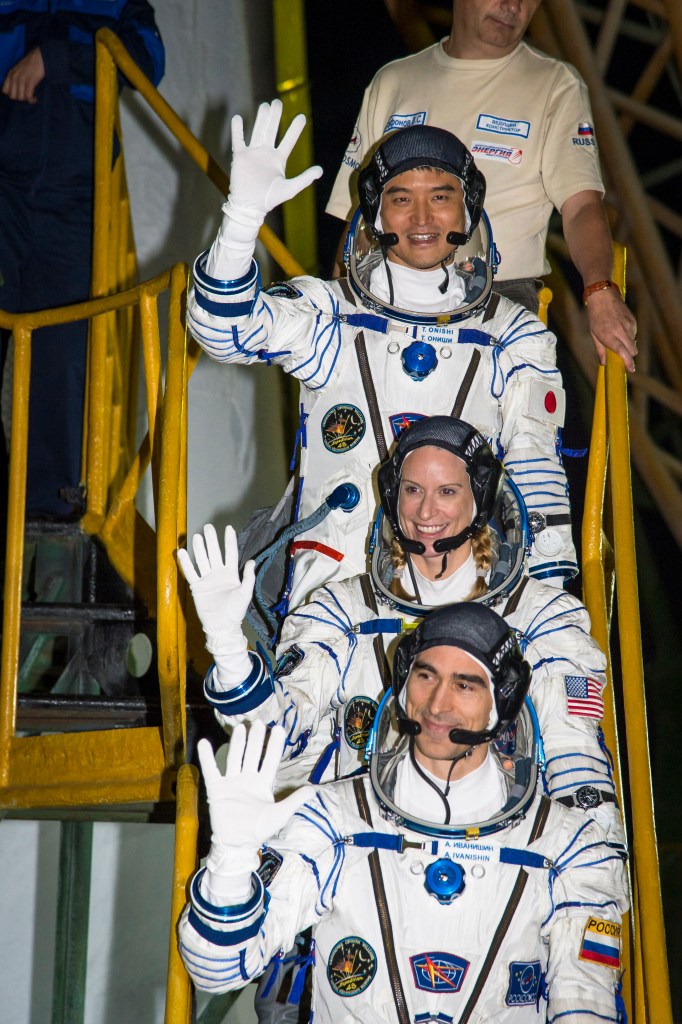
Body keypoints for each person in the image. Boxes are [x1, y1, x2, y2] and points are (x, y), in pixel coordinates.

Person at [187, 100, 576, 612]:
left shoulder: (511, 335)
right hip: (333, 585)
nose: (422, 217)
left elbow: (535, 469)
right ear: (374, 213)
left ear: (468, 210)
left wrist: (548, 604)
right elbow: (223, 330)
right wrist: (241, 221)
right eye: (400, 198)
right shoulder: (331, 316)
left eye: (441, 197)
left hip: (466, 595)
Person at [178, 415, 621, 843]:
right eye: (412, 490)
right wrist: (229, 648)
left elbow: (576, 763)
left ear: (480, 498)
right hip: (363, 847)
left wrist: (590, 866)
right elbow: (279, 734)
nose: (426, 510)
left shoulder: (543, 620)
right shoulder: (341, 613)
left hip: (497, 853)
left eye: (447, 491)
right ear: (392, 497)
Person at [178, 603, 630, 1021]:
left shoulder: (569, 848)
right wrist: (230, 863)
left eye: (465, 685)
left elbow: (586, 1008)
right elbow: (218, 970)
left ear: (504, 703)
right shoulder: (332, 820)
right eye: (426, 676)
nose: (437, 705)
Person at [325, 0, 638, 372]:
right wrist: (336, 310)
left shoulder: (555, 84)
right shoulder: (393, 81)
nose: (512, 6)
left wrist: (599, 290)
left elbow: (581, 205)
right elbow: (357, 219)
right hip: (388, 297)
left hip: (499, 301)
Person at [0, 0, 165, 517]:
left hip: (74, 199)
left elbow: (147, 61)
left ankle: (48, 515)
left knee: (63, 351)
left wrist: (54, 58)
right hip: (4, 188)